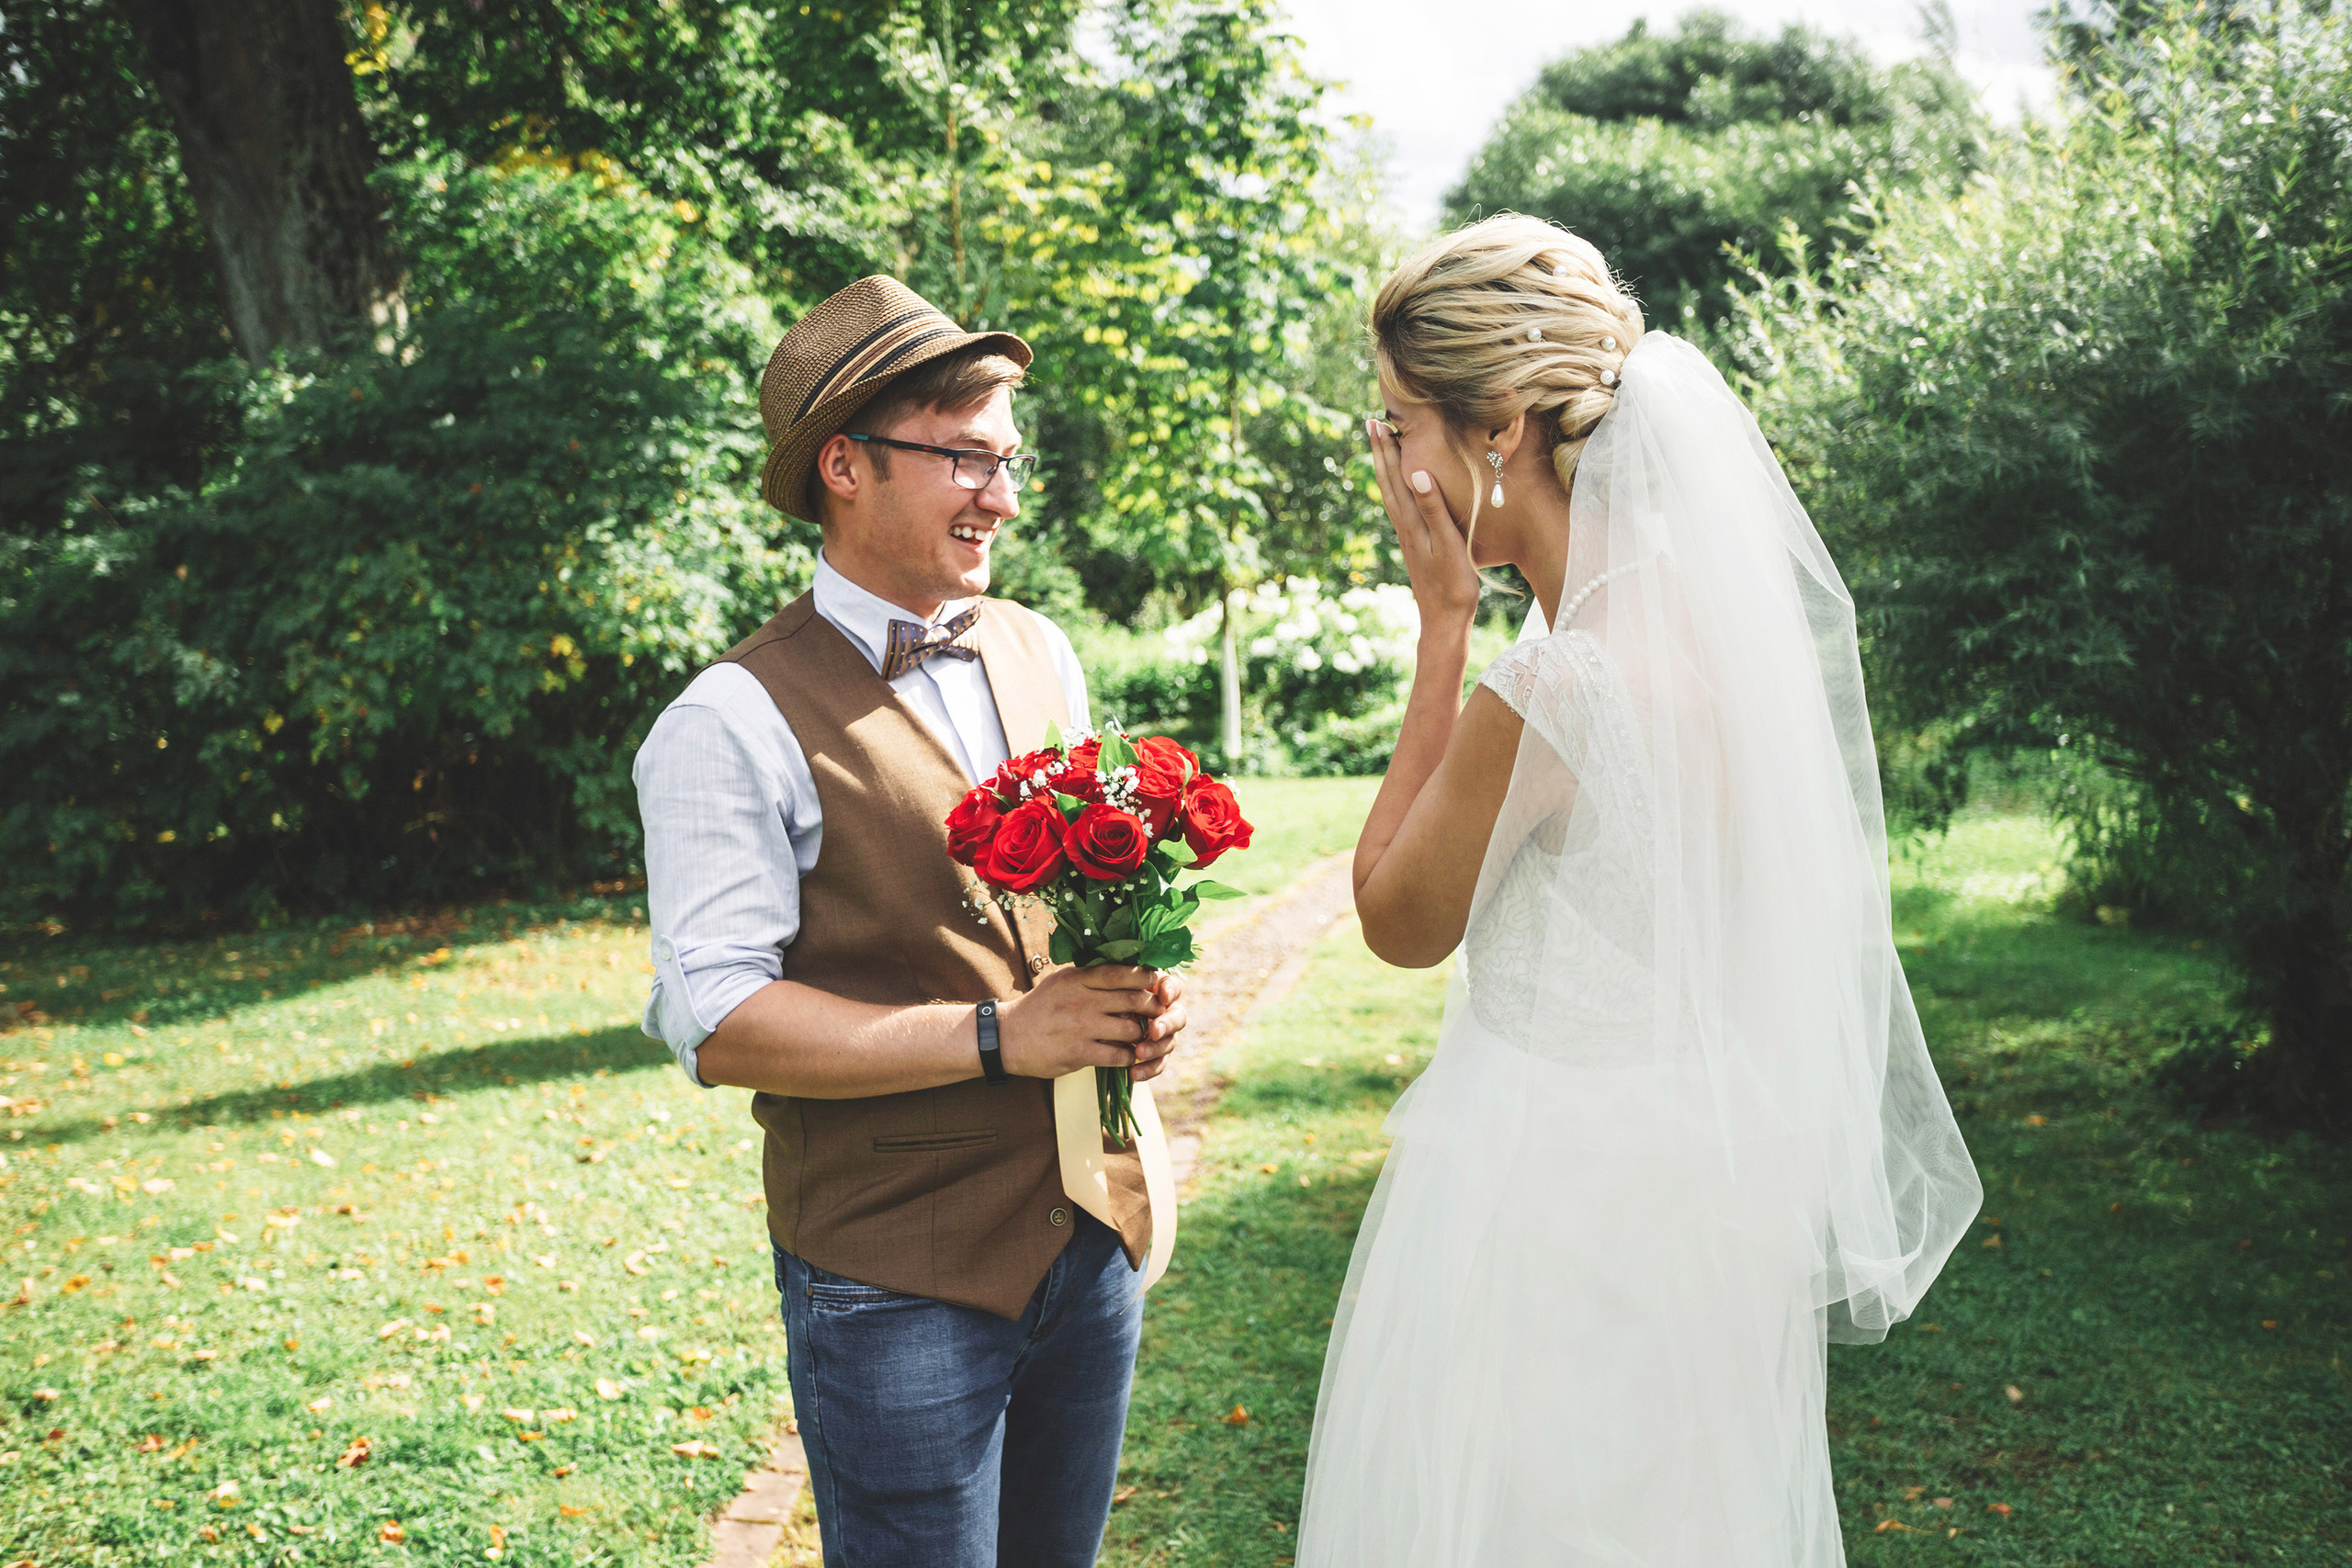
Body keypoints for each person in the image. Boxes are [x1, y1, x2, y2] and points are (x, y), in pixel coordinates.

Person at [1295, 216, 1983, 1566]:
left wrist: (1442, 628)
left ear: (1498, 431)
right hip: (1702, 1190)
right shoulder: (1718, 638)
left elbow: (1395, 919)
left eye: (1398, 422)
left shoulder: (1554, 685)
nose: (1390, 463)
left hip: (1550, 1201)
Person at [633, 275, 1187, 1567]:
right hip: (894, 1283)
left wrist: (1127, 998)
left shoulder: (1039, 648)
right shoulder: (726, 720)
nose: (1003, 495)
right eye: (965, 458)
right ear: (846, 465)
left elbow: (1053, 919)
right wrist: (1000, 1036)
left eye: (1008, 458)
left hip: (1089, 1234)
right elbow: (718, 1019)